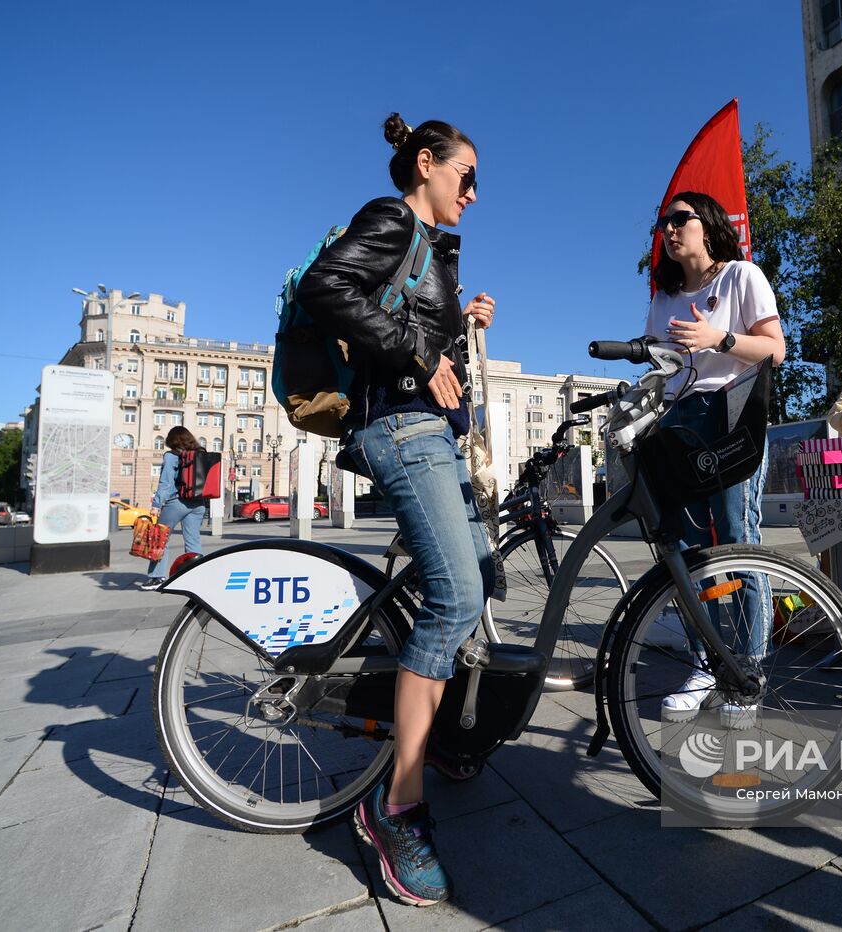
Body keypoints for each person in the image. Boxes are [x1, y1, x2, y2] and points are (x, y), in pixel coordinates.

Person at [296, 113, 495, 908]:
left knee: (476, 577)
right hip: (400, 430)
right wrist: (420, 354)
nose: (474, 194)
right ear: (426, 163)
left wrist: (456, 326)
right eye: (466, 176)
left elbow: (409, 319)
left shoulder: (427, 243)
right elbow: (326, 285)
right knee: (457, 598)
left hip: (431, 432)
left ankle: (434, 727)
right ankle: (395, 807)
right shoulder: (391, 219)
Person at [644, 191, 786, 727]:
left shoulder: (741, 277)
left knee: (736, 536)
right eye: (665, 223)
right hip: (677, 419)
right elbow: (658, 368)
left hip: (732, 412)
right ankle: (706, 663)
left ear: (708, 225)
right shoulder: (664, 296)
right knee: (684, 549)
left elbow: (776, 350)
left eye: (681, 219)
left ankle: (747, 671)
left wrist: (719, 337)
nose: (670, 229)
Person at [137, 426, 207, 590]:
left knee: (160, 538)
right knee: (193, 540)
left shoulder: (171, 456)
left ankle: (157, 577)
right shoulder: (200, 454)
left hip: (177, 502)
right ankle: (195, 576)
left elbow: (166, 483)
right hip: (198, 503)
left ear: (172, 440)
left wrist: (156, 505)